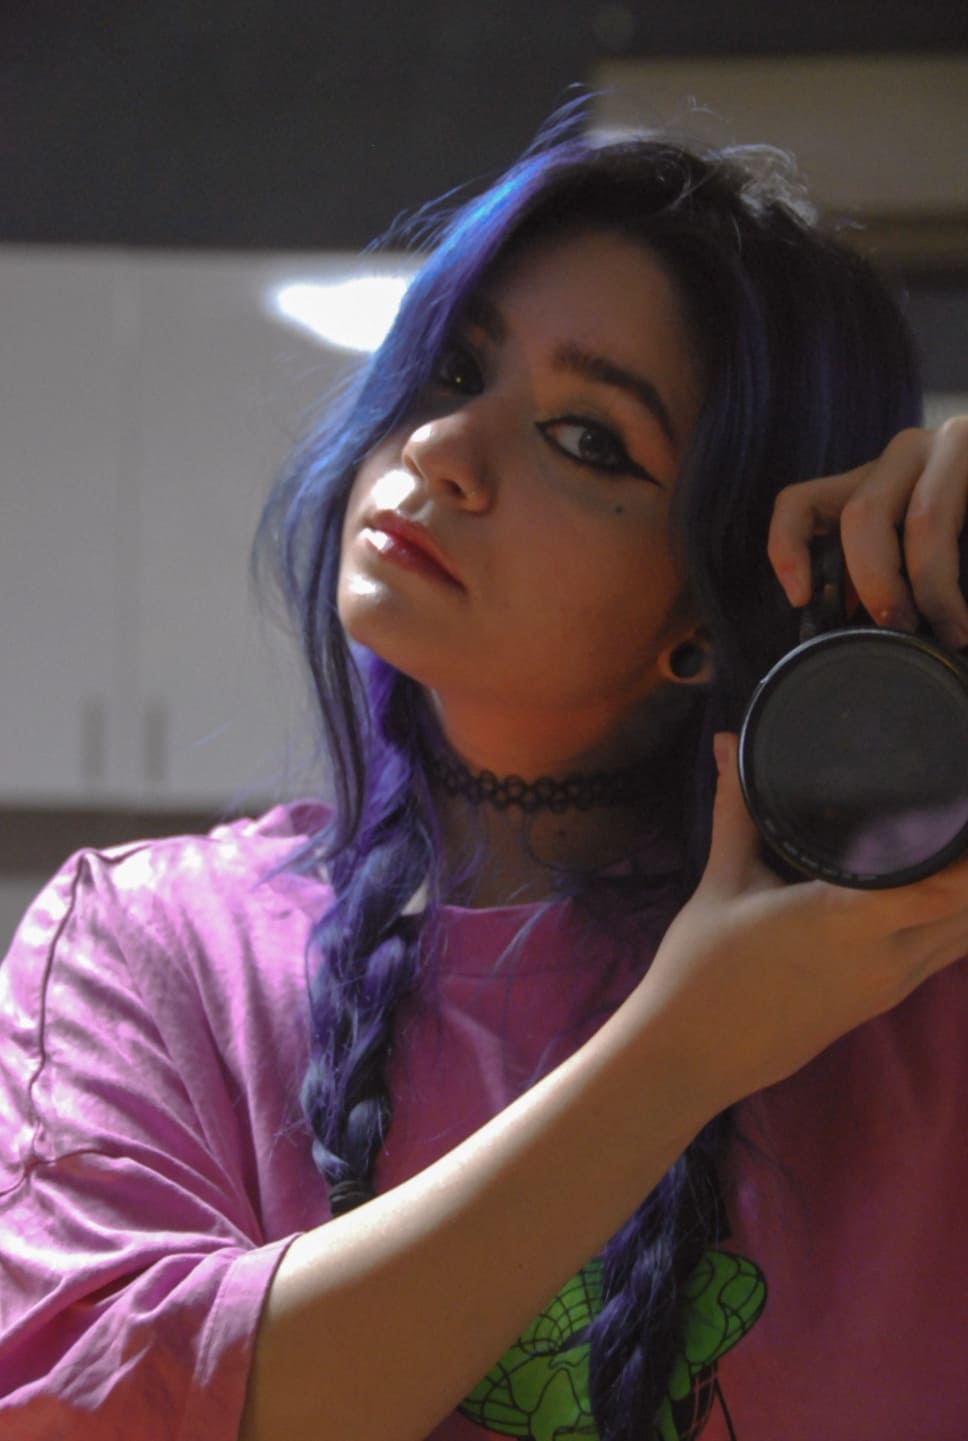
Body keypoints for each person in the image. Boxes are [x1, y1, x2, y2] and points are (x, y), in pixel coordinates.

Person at [2, 105, 968, 1441]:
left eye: (588, 439)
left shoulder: (910, 966)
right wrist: (687, 1045)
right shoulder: (152, 948)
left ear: (717, 610)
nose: (441, 452)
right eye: (455, 371)